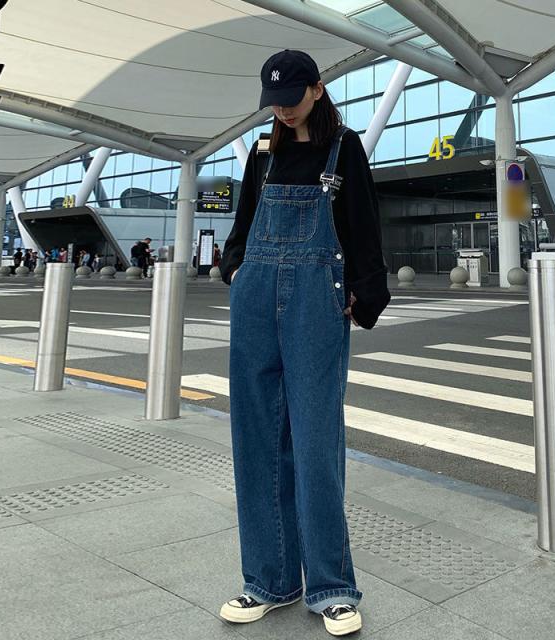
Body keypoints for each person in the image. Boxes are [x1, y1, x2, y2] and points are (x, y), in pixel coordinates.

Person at [218, 50, 390, 637]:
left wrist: (367, 292)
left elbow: (364, 224)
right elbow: (243, 222)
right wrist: (235, 267)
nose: (283, 111)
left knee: (317, 442)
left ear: (317, 89)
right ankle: (268, 581)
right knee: (256, 440)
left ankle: (331, 587)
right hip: (255, 301)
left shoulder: (344, 148)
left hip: (317, 300)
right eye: (275, 102)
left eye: (292, 99)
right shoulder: (263, 154)